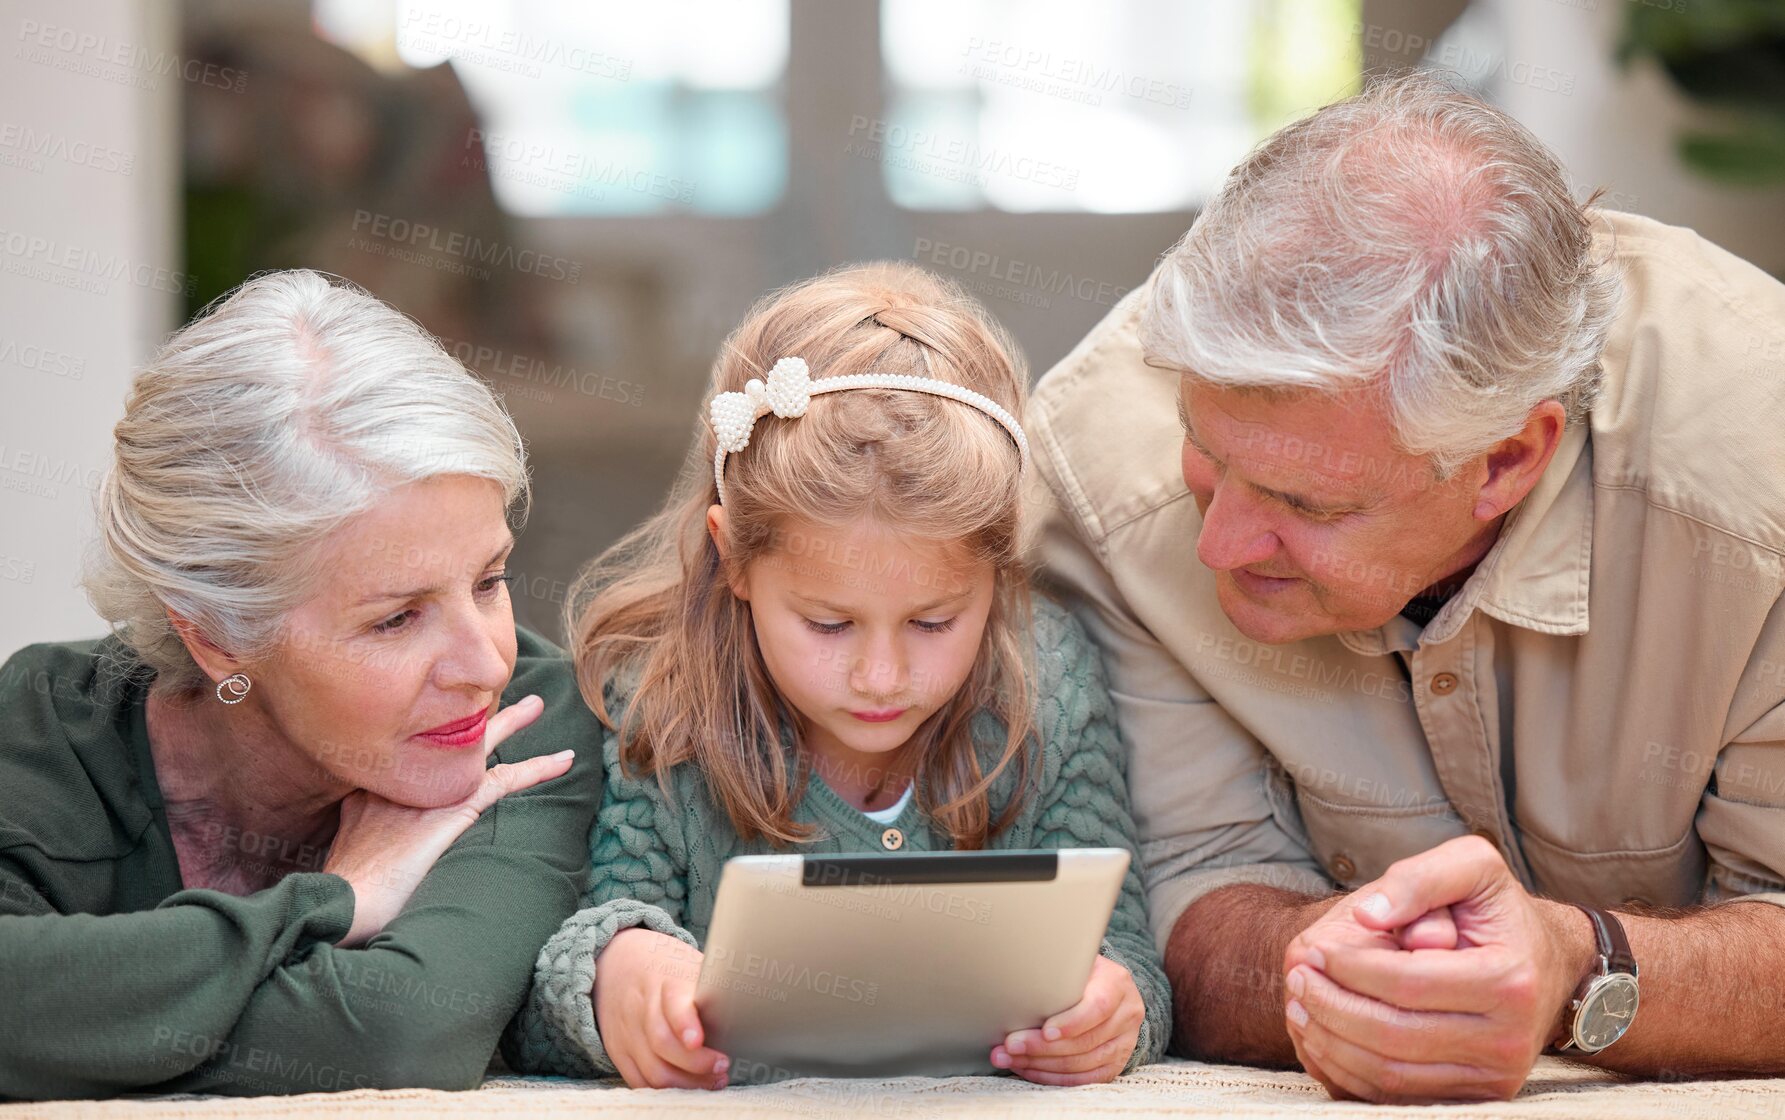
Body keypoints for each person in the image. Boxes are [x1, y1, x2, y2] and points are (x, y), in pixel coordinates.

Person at [1027, 72, 1785, 1102]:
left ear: (1508, 460)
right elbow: (1170, 891)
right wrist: (1324, 963)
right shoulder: (1094, 460)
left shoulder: (1761, 484)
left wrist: (1577, 966)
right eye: (1206, 454)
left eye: (1309, 503)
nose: (1219, 543)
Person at [501, 263, 1169, 1089]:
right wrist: (614, 976)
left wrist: (1113, 1007)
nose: (881, 675)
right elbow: (542, 984)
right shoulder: (659, 704)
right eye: (827, 624)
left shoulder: (1048, 681)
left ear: (998, 578)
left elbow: (1125, 951)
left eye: (933, 622)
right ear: (733, 557)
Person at [0, 270, 604, 1099]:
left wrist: (76, 1035)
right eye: (396, 619)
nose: (483, 664)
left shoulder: (526, 719)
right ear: (215, 638)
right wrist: (334, 899)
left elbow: (404, 1033)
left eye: (490, 580)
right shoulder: (51, 728)